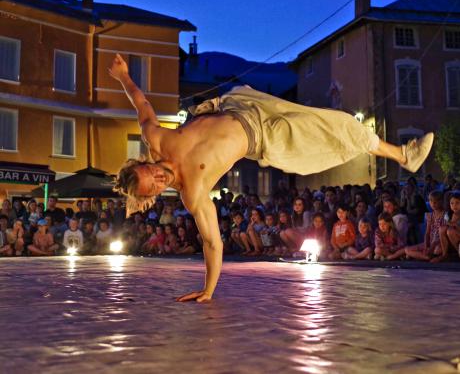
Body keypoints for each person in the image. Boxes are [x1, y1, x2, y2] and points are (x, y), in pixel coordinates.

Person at [109, 53, 434, 303]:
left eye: (148, 172)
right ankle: (405, 155)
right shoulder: (193, 192)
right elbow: (212, 242)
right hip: (266, 136)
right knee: (339, 126)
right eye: (151, 186)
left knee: (337, 123)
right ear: (151, 195)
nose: (156, 177)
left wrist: (124, 76)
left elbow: (142, 104)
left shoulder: (158, 139)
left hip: (242, 104)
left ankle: (405, 154)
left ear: (144, 162)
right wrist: (208, 289)